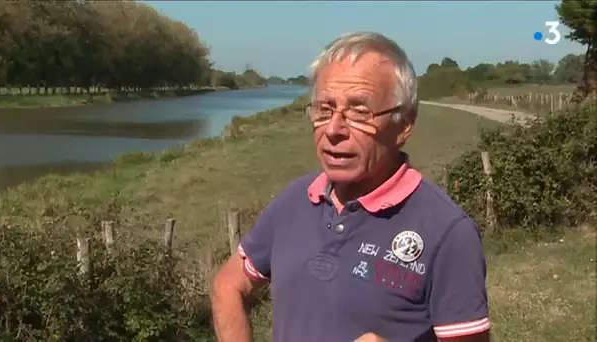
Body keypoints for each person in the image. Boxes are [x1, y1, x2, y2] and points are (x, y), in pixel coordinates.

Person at [210, 31, 491, 342]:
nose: (333, 129)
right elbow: (228, 284)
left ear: (404, 124)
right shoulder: (295, 200)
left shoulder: (448, 232)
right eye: (324, 109)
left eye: (359, 112)